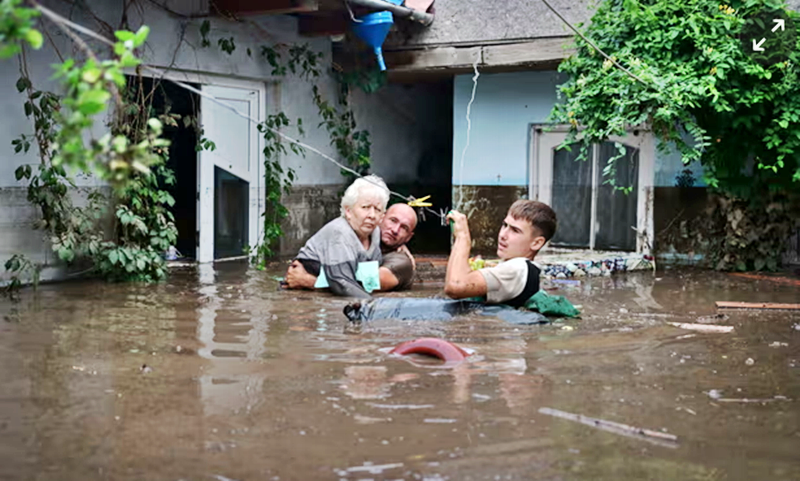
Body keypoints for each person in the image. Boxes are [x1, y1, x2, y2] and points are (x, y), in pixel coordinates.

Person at [289, 175, 390, 298]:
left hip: (323, 287)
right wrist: (376, 306)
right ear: (348, 211)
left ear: (382, 216)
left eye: (377, 209)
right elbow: (342, 283)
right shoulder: (340, 232)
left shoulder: (375, 233)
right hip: (302, 296)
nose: (372, 215)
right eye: (365, 207)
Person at [444, 200, 557, 307]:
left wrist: (462, 236)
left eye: (515, 230)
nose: (503, 234)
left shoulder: (517, 267)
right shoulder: (525, 269)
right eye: (505, 225)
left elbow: (456, 286)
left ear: (536, 243)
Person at [285, 202, 418, 292]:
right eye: (393, 221)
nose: (395, 230)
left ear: (409, 237)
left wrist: (308, 281)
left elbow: (364, 286)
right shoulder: (361, 238)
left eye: (404, 228)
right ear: (381, 218)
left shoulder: (402, 263)